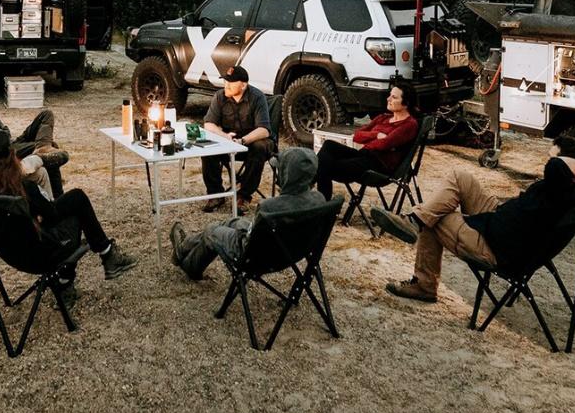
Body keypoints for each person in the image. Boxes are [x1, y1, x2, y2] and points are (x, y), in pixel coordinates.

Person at [373, 136, 575, 302]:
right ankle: (415, 220)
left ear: (570, 165)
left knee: (437, 219)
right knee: (459, 177)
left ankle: (424, 284)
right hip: (500, 220)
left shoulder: (559, 185)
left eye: (554, 157)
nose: (547, 163)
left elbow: (555, 168)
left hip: (496, 246)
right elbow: (574, 177)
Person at [0, 129, 137, 302]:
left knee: (71, 202)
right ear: (11, 156)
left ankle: (104, 255)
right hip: (40, 256)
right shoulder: (21, 188)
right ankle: (92, 264)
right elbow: (51, 215)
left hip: (5, 250)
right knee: (77, 202)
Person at [169, 147, 322, 280]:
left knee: (212, 230)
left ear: (287, 175)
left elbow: (249, 239)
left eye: (280, 171)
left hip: (257, 257)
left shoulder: (270, 207)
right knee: (230, 222)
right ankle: (182, 248)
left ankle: (190, 266)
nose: (277, 175)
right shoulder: (318, 200)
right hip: (292, 252)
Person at [315, 84, 418, 199]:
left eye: (394, 97)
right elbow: (357, 136)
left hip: (378, 166)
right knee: (329, 145)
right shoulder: (383, 117)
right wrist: (376, 135)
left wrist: (371, 141)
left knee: (324, 166)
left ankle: (321, 204)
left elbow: (385, 144)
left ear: (406, 103)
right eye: (390, 95)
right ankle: (321, 203)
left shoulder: (409, 124)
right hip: (364, 155)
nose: (388, 99)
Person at [200, 65, 272, 212]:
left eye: (231, 82)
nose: (226, 85)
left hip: (251, 141)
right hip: (228, 141)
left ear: (243, 85)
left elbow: (264, 130)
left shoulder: (257, 97)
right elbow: (208, 124)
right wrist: (225, 136)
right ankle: (216, 194)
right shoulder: (220, 96)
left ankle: (244, 196)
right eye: (225, 81)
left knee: (260, 147)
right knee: (207, 147)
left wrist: (242, 141)